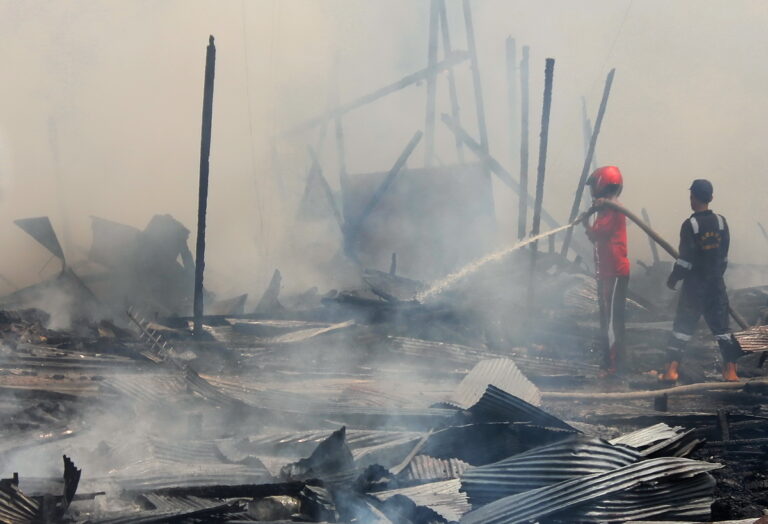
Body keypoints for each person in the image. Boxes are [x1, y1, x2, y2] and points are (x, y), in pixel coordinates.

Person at [661, 179, 744, 382]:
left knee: (682, 328)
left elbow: (685, 261)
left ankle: (671, 372)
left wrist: (673, 278)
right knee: (722, 330)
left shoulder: (690, 225)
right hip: (716, 284)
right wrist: (716, 275)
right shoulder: (722, 222)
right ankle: (731, 372)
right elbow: (723, 257)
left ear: (692, 198)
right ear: (711, 198)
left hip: (694, 287)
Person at [583, 166, 630, 375]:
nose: (593, 189)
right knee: (608, 318)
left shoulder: (611, 209)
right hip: (608, 272)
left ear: (602, 183)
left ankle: (613, 366)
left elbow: (597, 234)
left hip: (614, 272)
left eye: (594, 184)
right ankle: (611, 362)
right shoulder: (606, 209)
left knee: (611, 321)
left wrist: (586, 222)